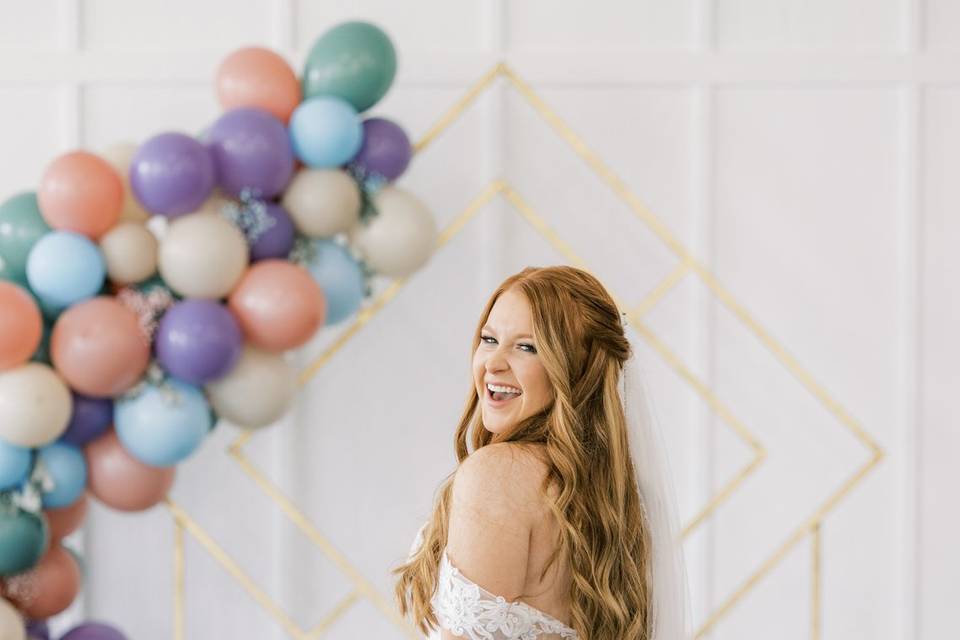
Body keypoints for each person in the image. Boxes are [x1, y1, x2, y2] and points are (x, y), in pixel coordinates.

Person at [393, 265, 691, 639]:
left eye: (526, 347)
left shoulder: (498, 474)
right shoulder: (619, 499)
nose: (493, 363)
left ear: (575, 370)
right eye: (489, 339)